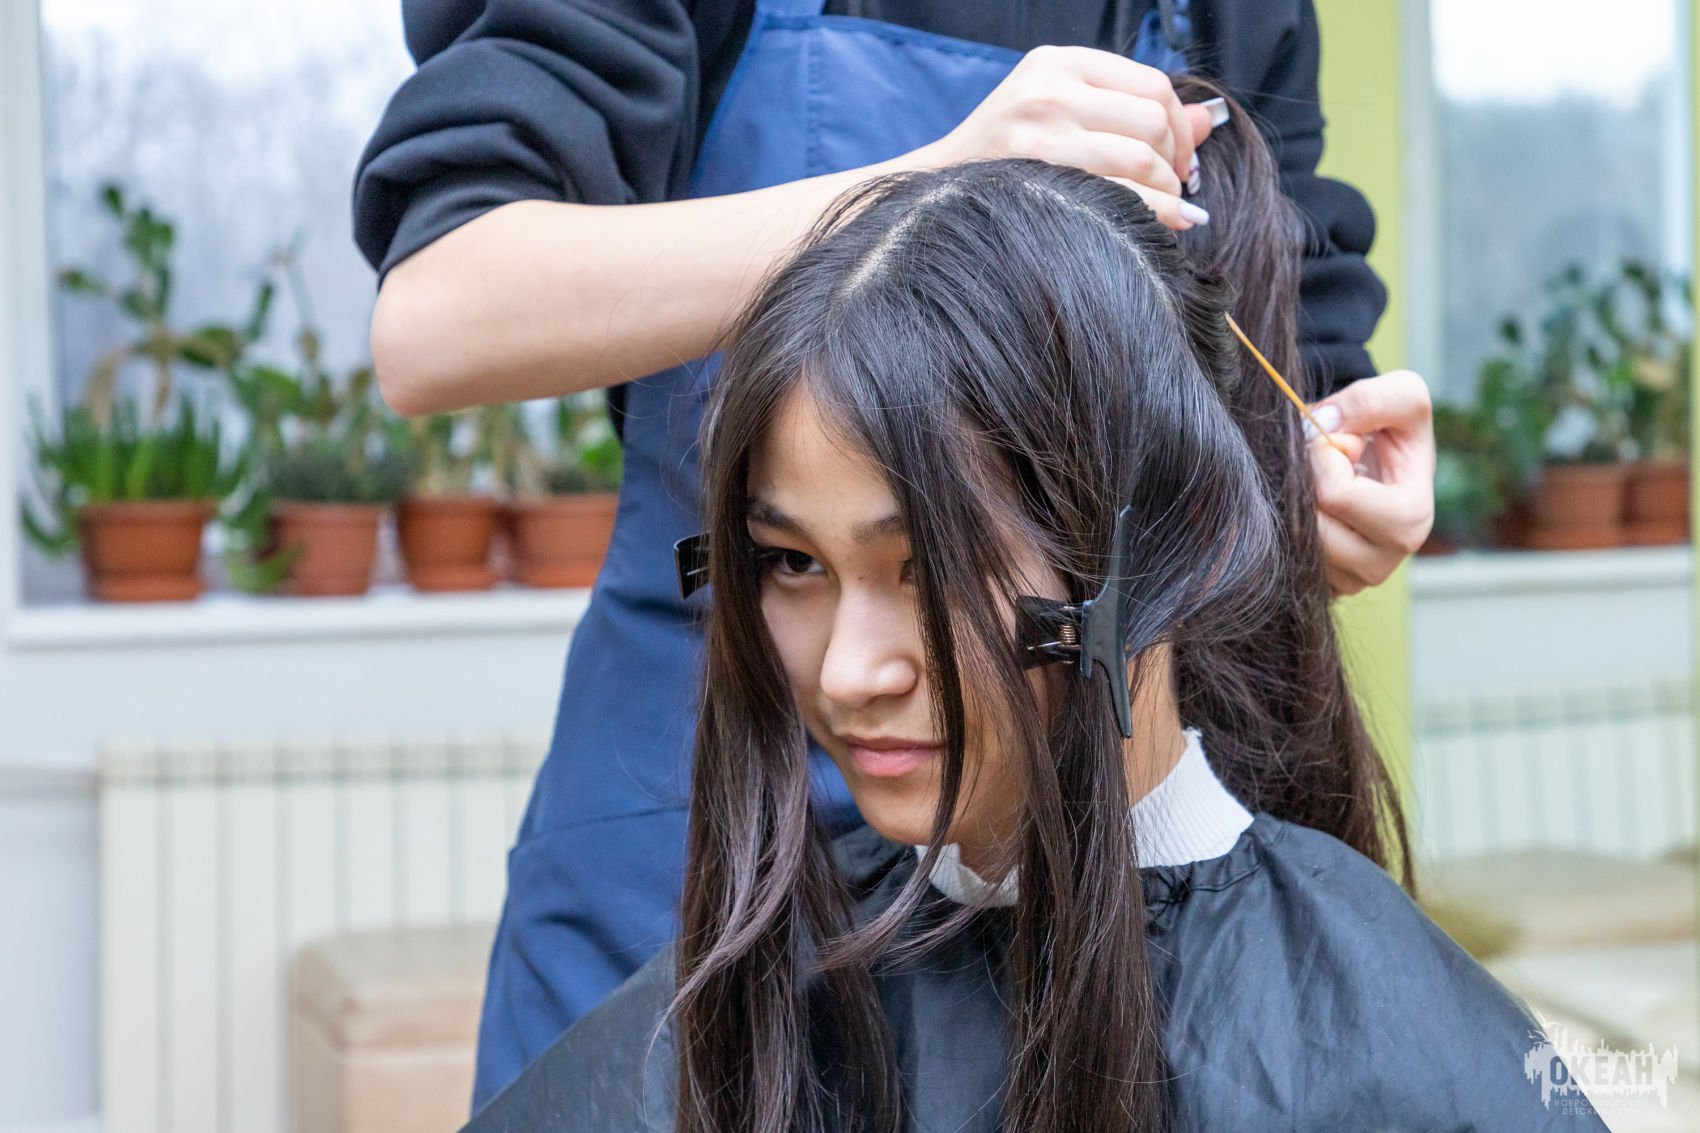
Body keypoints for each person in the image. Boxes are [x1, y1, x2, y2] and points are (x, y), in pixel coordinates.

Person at [353, 0, 1437, 1105]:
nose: (853, 671)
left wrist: (1316, 481)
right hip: (695, 810)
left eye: (936, 563)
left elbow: (1289, 348)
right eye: (788, 555)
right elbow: (439, 309)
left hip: (1078, 832)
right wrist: (929, 191)